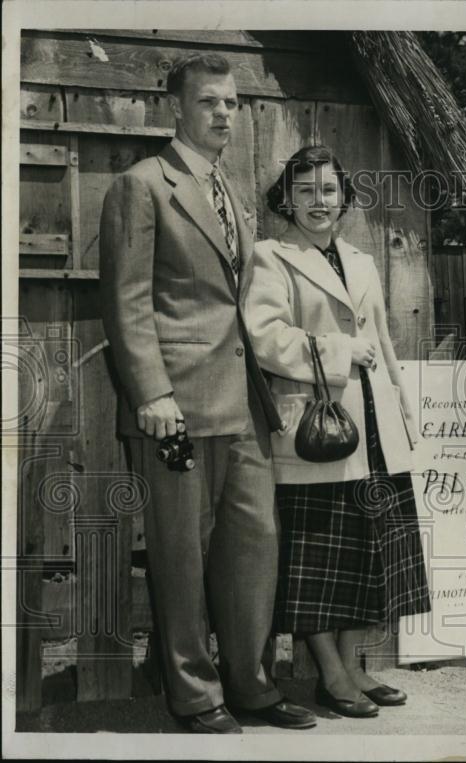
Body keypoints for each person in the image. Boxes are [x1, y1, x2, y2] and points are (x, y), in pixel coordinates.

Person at [99, 54, 315, 732]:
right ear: (177, 110)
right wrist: (152, 393)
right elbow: (126, 301)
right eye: (209, 102)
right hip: (177, 407)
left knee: (256, 544)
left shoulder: (231, 189)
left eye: (231, 103)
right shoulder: (142, 185)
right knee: (180, 553)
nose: (224, 113)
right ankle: (194, 692)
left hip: (242, 404)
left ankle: (249, 681)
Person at [244, 145, 430, 718]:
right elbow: (263, 336)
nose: (318, 201)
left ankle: (352, 668)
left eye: (328, 189)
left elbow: (387, 345)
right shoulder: (271, 257)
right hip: (315, 431)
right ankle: (330, 675)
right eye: (305, 191)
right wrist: (337, 350)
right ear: (288, 199)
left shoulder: (362, 259)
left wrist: (403, 412)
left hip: (374, 429)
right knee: (318, 563)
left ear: (345, 196)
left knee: (365, 558)